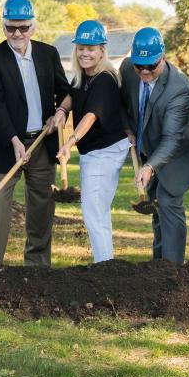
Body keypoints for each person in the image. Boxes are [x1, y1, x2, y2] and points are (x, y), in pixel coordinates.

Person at [0, 0, 70, 266]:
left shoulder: (48, 54)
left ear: (33, 26)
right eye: (11, 28)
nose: (17, 33)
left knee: (41, 207)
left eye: (23, 27)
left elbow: (65, 92)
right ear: (3, 26)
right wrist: (14, 140)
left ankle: (37, 269)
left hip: (42, 143)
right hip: (7, 143)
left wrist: (60, 113)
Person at [119, 27, 189, 264]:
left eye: (151, 66)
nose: (144, 71)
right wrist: (128, 129)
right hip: (150, 147)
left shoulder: (178, 88)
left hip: (180, 151)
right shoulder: (127, 69)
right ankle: (159, 265)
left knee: (168, 200)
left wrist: (149, 167)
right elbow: (122, 103)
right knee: (156, 205)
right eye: (140, 65)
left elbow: (171, 138)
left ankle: (173, 268)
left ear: (163, 57)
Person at [57, 20, 130, 263]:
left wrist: (70, 142)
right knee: (97, 212)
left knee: (93, 213)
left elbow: (90, 115)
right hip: (94, 152)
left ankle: (105, 267)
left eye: (91, 48)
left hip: (106, 152)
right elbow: (72, 94)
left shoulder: (105, 79)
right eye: (81, 48)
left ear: (102, 50)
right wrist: (61, 111)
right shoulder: (83, 76)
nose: (85, 53)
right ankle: (105, 263)